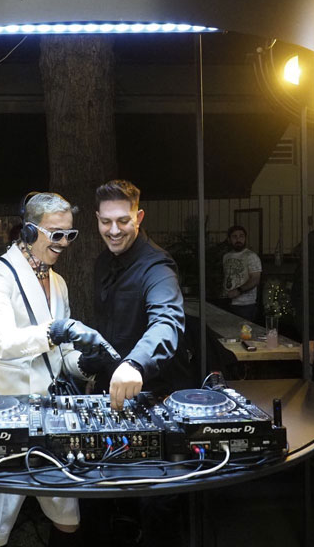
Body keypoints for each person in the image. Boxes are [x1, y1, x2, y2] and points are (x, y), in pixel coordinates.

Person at [0, 192, 113, 547]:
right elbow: (1, 342)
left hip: (49, 416)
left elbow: (60, 356)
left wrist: (87, 364)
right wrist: (56, 331)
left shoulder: (58, 282)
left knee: (67, 516)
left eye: (70, 234)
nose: (64, 243)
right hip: (1, 413)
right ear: (29, 231)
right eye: (56, 234)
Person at [82, 179, 188, 546]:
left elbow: (167, 321)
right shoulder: (102, 263)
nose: (114, 230)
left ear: (139, 218)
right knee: (102, 489)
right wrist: (93, 366)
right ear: (97, 219)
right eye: (106, 221)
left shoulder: (157, 266)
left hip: (154, 395)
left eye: (123, 221)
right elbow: (110, 328)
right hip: (110, 396)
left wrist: (135, 364)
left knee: (156, 500)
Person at [222, 225, 262, 323]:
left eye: (241, 236)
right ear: (229, 239)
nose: (238, 239)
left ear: (245, 238)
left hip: (246, 305)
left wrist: (239, 290)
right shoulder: (226, 257)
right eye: (234, 236)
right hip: (229, 303)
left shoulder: (251, 256)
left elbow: (255, 279)